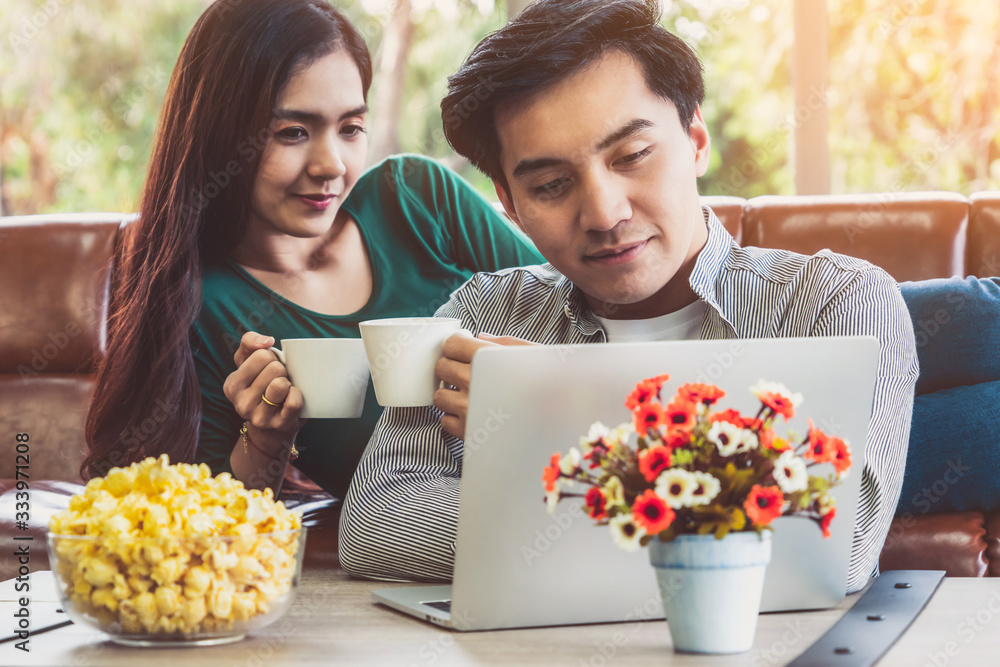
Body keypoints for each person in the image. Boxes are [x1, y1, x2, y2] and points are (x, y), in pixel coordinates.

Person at [339, 0, 918, 593]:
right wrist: (693, 523)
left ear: (695, 139)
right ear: (509, 205)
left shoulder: (836, 304)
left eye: (633, 156)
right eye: (551, 185)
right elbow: (378, 529)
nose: (605, 213)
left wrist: (564, 419)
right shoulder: (482, 314)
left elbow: (831, 550)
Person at [82, 0, 543, 500]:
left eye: (350, 128)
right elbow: (211, 519)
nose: (332, 165)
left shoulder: (418, 199)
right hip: (409, 544)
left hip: (571, 490)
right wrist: (264, 440)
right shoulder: (197, 306)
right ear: (219, 136)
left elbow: (580, 315)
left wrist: (534, 392)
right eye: (293, 132)